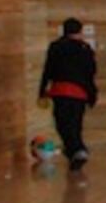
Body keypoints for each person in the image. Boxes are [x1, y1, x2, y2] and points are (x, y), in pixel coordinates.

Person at [38, 17, 98, 171]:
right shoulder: (85, 49)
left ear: (64, 30)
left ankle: (77, 150)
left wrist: (42, 90)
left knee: (62, 125)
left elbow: (48, 70)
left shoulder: (56, 47)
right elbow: (91, 73)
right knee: (76, 124)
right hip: (80, 93)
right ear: (80, 31)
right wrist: (92, 94)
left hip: (61, 91)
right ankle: (76, 152)